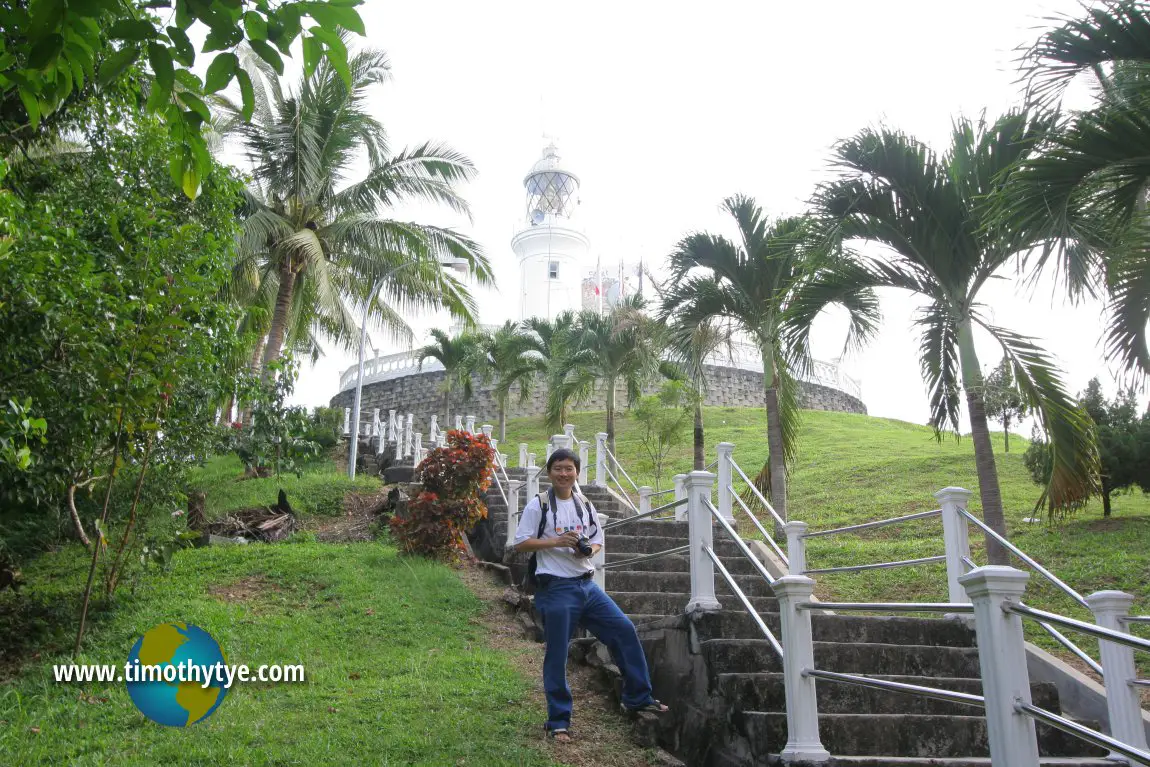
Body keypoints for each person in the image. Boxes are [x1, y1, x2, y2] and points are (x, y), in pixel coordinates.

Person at [513, 447, 668, 743]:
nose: (563, 473)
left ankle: (637, 696)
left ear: (577, 472)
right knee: (557, 654)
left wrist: (585, 548)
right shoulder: (539, 505)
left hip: (587, 585)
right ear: (549, 472)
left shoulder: (584, 503)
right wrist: (556, 542)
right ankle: (558, 720)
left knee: (623, 630)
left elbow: (597, 540)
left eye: (569, 468)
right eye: (558, 468)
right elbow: (520, 543)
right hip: (556, 588)